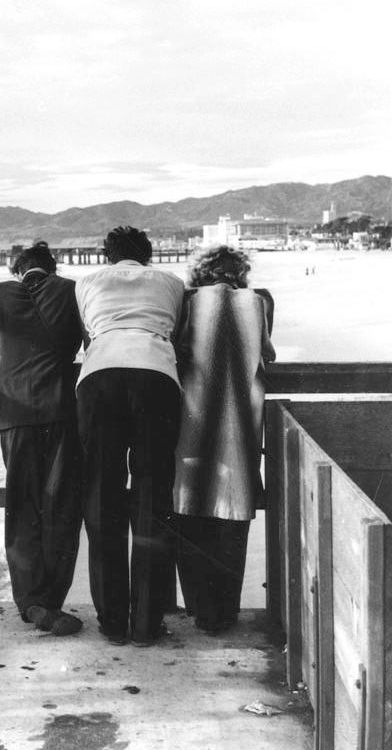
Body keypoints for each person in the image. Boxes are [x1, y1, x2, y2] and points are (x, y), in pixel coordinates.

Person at [75, 226, 184, 646]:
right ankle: (147, 622)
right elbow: (175, 331)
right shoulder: (171, 283)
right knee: (153, 495)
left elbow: (88, 333)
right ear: (149, 254)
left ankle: (112, 621)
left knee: (102, 495)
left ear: (106, 254)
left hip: (100, 376)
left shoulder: (87, 282)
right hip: (156, 375)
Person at [0, 241, 86, 636]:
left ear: (16, 269)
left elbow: (1, 342)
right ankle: (53, 600)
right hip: (61, 410)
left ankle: (30, 602)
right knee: (61, 505)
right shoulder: (71, 290)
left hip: (14, 414)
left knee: (21, 507)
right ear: (53, 268)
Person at [173, 246, 275, 633]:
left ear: (199, 273)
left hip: (193, 422)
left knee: (190, 511)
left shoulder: (187, 302)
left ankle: (200, 609)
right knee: (233, 517)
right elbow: (267, 350)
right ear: (241, 273)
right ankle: (224, 614)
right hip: (242, 428)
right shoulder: (261, 302)